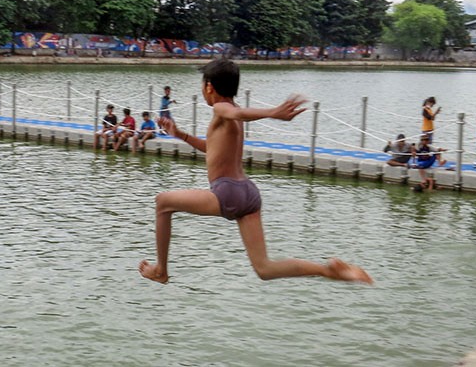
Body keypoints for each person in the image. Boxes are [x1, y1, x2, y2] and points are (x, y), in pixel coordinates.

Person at [138, 59, 372, 285]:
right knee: (265, 269)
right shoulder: (232, 113)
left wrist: (273, 112)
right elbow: (213, 148)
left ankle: (161, 271)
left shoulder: (222, 109)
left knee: (163, 202)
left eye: (202, 85)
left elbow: (232, 113)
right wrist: (180, 134)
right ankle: (326, 270)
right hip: (248, 193)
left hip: (227, 192)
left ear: (209, 87)